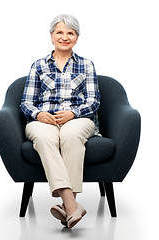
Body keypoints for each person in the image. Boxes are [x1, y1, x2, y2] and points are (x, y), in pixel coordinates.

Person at [20, 14, 100, 228]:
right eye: (60, 32)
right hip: (44, 120)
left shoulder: (87, 65)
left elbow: (94, 101)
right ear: (51, 36)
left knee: (71, 135)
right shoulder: (37, 65)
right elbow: (26, 102)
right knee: (45, 138)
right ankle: (72, 205)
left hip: (79, 119)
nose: (65, 37)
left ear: (77, 37)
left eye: (70, 33)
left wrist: (73, 113)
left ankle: (68, 206)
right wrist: (38, 115)